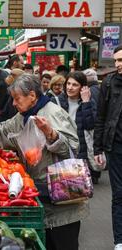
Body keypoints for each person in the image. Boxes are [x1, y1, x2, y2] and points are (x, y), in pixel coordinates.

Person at [0, 74, 87, 250]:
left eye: (17, 98)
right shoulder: (23, 117)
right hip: (41, 193)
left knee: (63, 242)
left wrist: (51, 134)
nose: (13, 103)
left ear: (32, 95)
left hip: (63, 198)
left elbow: (72, 147)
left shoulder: (54, 114)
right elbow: (2, 129)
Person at [94, 45, 122, 250]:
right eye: (117, 61)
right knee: (119, 194)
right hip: (116, 147)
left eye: (121, 60)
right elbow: (101, 118)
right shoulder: (109, 84)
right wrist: (97, 149)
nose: (118, 65)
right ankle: (119, 240)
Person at [51, 71, 97, 181]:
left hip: (80, 150)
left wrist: (86, 102)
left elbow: (90, 125)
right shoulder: (55, 101)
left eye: (75, 85)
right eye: (68, 84)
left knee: (77, 188)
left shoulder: (89, 102)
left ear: (83, 87)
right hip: (60, 148)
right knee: (59, 186)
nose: (70, 88)